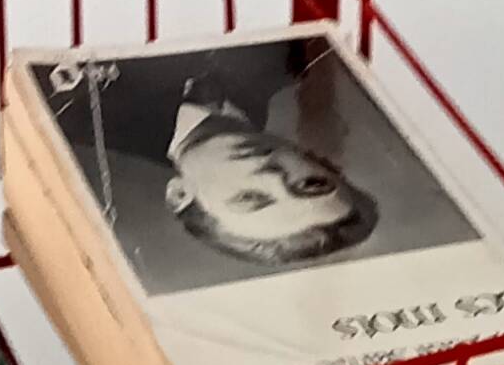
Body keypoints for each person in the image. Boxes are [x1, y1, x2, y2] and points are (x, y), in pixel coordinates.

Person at [161, 77, 380, 270]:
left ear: (179, 194)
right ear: (322, 162)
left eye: (249, 197)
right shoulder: (289, 62)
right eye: (311, 183)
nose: (272, 177)